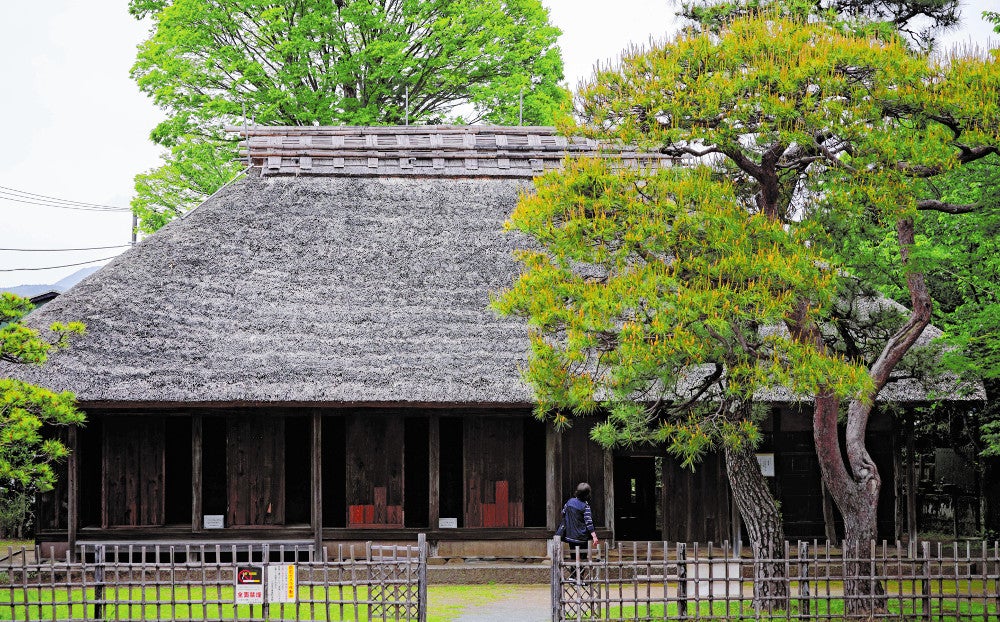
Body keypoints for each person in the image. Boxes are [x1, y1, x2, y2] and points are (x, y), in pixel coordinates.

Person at [557, 482, 599, 556]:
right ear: (588, 495)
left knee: (573, 555)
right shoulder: (585, 506)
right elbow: (589, 523)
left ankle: (574, 563)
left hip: (570, 536)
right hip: (582, 537)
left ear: (577, 492)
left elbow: (563, 512)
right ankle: (582, 563)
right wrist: (594, 537)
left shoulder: (569, 502)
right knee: (583, 557)